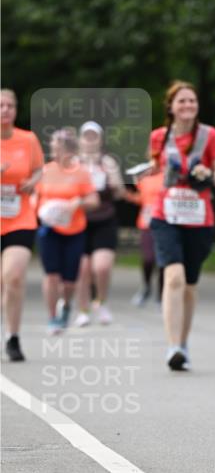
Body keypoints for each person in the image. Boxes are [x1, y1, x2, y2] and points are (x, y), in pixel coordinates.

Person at [148, 80, 215, 370]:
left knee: (190, 285)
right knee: (174, 278)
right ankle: (172, 347)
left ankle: (182, 343)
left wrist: (207, 173)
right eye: (181, 101)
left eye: (192, 101)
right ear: (170, 106)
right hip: (166, 216)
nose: (187, 105)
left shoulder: (210, 135)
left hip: (198, 218)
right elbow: (151, 171)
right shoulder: (158, 137)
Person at [34, 128, 99, 334]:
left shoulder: (81, 173)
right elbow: (33, 197)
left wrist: (78, 202)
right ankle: (53, 317)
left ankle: (67, 304)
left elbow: (94, 200)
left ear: (69, 150)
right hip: (49, 230)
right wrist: (40, 209)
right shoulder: (45, 171)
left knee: (69, 281)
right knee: (51, 275)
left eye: (58, 147)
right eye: (53, 147)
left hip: (74, 231)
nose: (54, 150)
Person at [0, 89, 44, 360]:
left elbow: (40, 168)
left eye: (10, 105)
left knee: (13, 276)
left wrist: (33, 180)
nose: (5, 110)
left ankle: (13, 337)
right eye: (0, 105)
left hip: (20, 217)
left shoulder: (28, 140)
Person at [74, 121, 125, 326]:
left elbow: (120, 193)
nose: (89, 140)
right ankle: (83, 310)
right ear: (80, 140)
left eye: (93, 136)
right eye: (86, 136)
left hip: (104, 220)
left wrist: (114, 183)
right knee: (83, 269)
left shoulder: (108, 162)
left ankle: (101, 302)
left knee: (102, 267)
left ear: (100, 140)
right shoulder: (73, 162)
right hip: (79, 221)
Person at [124, 169, 164, 305]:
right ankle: (146, 287)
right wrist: (129, 196)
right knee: (148, 259)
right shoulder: (144, 178)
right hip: (147, 224)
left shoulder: (170, 175)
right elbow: (141, 198)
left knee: (163, 261)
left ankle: (161, 295)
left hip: (166, 223)